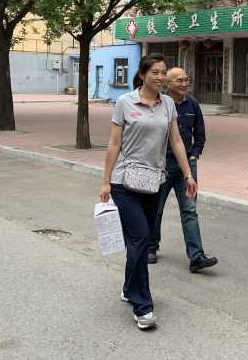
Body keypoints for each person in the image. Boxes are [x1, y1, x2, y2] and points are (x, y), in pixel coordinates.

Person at [99, 53, 196, 331]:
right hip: (124, 181)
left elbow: (176, 140)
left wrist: (188, 174)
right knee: (141, 238)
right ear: (142, 75)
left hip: (154, 181)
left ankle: (129, 287)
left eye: (163, 72)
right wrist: (105, 181)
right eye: (155, 72)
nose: (160, 77)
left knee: (139, 241)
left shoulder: (168, 104)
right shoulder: (125, 102)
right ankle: (143, 306)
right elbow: (114, 143)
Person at [147, 67, 217, 273]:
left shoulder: (192, 104)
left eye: (187, 79)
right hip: (162, 165)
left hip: (186, 164)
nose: (185, 84)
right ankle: (151, 247)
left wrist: (195, 154)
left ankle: (196, 257)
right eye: (179, 80)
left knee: (190, 210)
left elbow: (200, 134)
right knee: (156, 208)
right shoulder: (159, 104)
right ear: (167, 84)